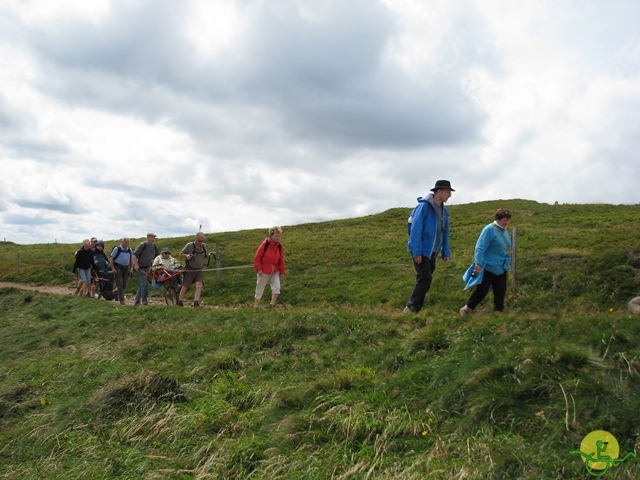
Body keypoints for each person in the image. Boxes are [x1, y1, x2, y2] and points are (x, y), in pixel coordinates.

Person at [404, 180, 454, 314]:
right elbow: (415, 229)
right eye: (448, 192)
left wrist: (445, 252)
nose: (449, 195)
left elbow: (445, 232)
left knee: (424, 279)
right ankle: (411, 307)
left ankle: (416, 308)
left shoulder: (444, 211)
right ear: (439, 191)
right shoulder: (424, 207)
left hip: (433, 252)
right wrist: (416, 252)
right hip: (422, 250)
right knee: (425, 278)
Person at [460, 208, 512, 316]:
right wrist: (478, 263)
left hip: (500, 266)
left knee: (501, 290)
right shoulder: (488, 230)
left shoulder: (504, 230)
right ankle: (467, 309)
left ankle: (499, 312)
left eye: (508, 220)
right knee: (482, 290)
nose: (506, 222)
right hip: (487, 266)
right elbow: (480, 248)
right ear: (498, 219)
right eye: (504, 220)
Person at [177, 232, 214, 307]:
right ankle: (180, 301)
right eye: (199, 240)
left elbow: (203, 256)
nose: (200, 242)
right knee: (185, 286)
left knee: (199, 285)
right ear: (195, 238)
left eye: (202, 241)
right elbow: (180, 254)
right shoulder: (189, 245)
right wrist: (186, 256)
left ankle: (196, 302)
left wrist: (208, 256)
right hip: (189, 269)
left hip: (199, 269)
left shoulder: (204, 246)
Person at [253, 226, 286, 309]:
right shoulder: (265, 244)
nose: (278, 237)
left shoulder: (279, 246)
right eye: (276, 236)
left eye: (279, 236)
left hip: (275, 270)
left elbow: (281, 260)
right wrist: (259, 269)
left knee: (277, 287)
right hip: (264, 270)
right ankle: (256, 305)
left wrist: (282, 272)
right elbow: (258, 257)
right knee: (260, 287)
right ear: (271, 235)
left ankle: (272, 305)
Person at [133, 233, 159, 306]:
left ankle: (136, 301)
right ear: (148, 238)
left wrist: (154, 261)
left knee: (142, 284)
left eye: (154, 237)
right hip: (141, 267)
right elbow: (134, 255)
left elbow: (157, 257)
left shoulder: (154, 246)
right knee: (144, 283)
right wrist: (135, 264)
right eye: (151, 237)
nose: (152, 239)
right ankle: (144, 301)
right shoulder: (143, 245)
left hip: (149, 268)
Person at [109, 237, 133, 305]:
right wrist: (113, 268)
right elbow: (111, 258)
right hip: (117, 267)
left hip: (125, 268)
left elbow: (131, 259)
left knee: (124, 284)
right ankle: (122, 300)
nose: (127, 244)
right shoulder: (117, 249)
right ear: (122, 242)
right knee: (120, 283)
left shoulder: (129, 250)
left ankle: (115, 293)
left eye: (128, 242)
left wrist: (131, 268)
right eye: (125, 242)